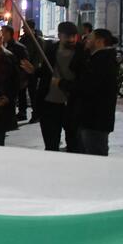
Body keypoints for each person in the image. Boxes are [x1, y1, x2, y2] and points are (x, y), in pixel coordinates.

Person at [62, 29, 118, 156]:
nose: (86, 40)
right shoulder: (96, 58)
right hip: (90, 117)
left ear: (99, 41)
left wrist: (62, 84)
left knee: (95, 154)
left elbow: (86, 87)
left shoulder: (102, 61)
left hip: (95, 118)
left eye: (90, 38)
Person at [37, 22, 87, 153]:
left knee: (74, 143)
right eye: (67, 36)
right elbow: (45, 73)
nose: (71, 39)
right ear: (59, 36)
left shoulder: (82, 51)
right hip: (50, 101)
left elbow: (83, 79)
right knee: (51, 142)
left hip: (72, 103)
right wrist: (34, 71)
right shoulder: (51, 49)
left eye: (74, 36)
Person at [1, 25, 31, 122]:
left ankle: (22, 113)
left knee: (20, 95)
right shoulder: (2, 46)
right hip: (6, 76)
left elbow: (25, 63)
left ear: (8, 33)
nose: (1, 34)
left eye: (3, 32)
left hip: (17, 76)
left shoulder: (19, 47)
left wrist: (23, 77)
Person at [21, 20, 47, 123]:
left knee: (33, 93)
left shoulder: (39, 40)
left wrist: (33, 68)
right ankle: (22, 112)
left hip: (33, 71)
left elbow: (39, 57)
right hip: (23, 69)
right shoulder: (23, 39)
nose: (23, 29)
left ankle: (36, 114)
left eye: (25, 27)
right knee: (21, 91)